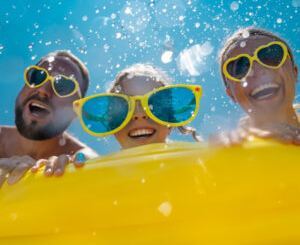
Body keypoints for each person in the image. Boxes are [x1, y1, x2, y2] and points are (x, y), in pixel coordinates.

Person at [0, 50, 98, 187]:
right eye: (37, 77)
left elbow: (94, 164)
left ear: (76, 109)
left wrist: (83, 165)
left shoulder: (79, 157)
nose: (43, 90)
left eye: (63, 86)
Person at [73, 63, 202, 149]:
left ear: (170, 124)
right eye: (124, 108)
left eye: (154, 105)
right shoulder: (99, 177)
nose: (139, 114)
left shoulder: (197, 163)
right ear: (113, 128)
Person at [210, 27, 300, 145]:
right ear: (231, 94)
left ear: (294, 72)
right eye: (239, 68)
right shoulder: (230, 149)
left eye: (271, 56)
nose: (257, 70)